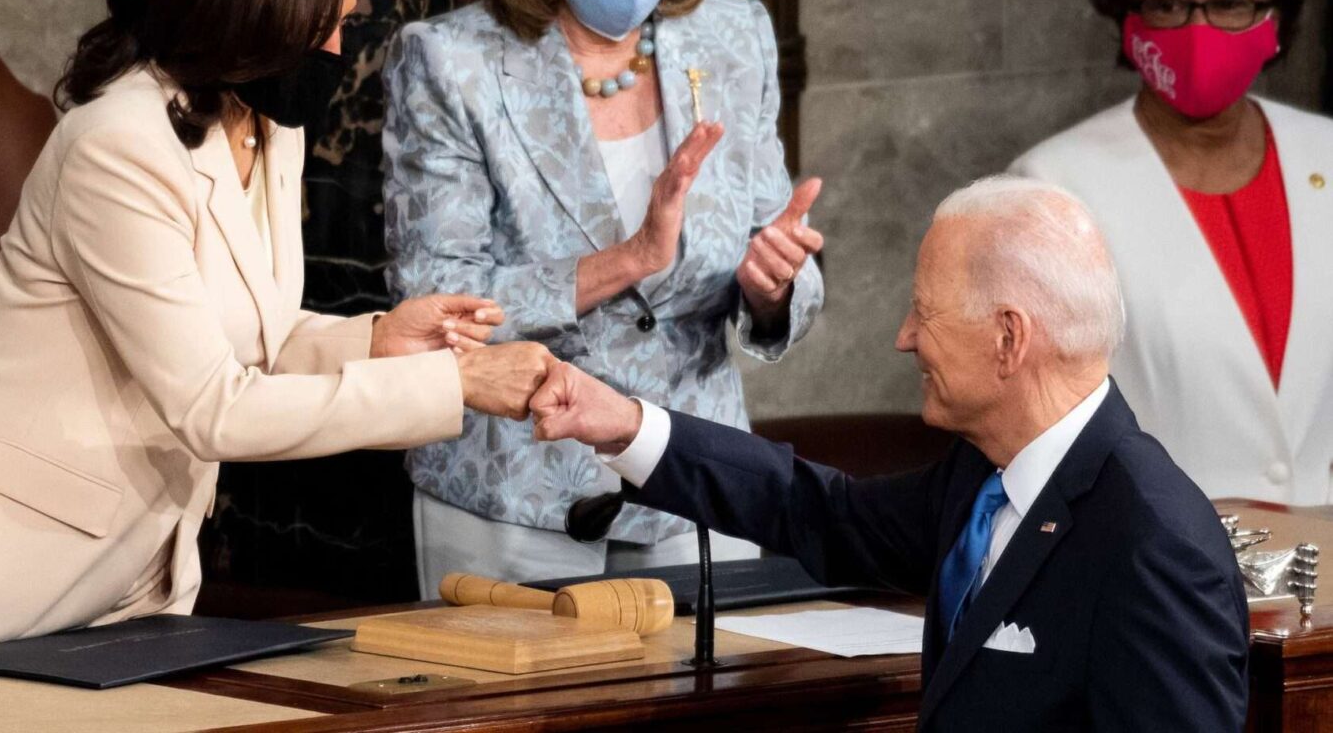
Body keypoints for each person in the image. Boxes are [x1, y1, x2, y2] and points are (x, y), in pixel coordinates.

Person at [0, 0, 555, 647]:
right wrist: (449, 382)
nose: (341, 50)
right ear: (249, 14)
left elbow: (239, 328)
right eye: (326, 27)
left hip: (124, 565)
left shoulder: (268, 125)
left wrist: (377, 340)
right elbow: (215, 407)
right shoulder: (116, 147)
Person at [531, 176, 1249, 732]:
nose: (904, 337)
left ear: (1008, 338)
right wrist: (623, 423)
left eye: (924, 311)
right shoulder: (979, 475)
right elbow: (818, 510)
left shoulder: (1150, 542)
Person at [382, 0, 825, 596]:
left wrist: (776, 285)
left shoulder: (732, 37)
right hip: (517, 495)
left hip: (697, 485)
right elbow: (433, 302)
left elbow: (773, 245)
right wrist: (626, 260)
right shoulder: (450, 62)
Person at [1012, 0, 1333, 504]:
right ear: (1128, 19)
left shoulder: (1327, 153)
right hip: (1159, 562)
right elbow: (1034, 422)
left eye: (1230, 4)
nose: (1198, 29)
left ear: (1277, 22)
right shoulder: (1051, 187)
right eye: (1168, 5)